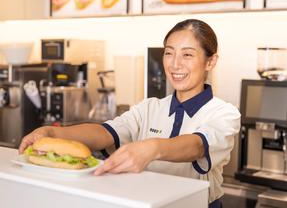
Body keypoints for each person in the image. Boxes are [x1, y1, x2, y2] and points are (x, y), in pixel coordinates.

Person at [19, 19, 240, 208]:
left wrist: (151, 148)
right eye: (169, 53)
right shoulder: (150, 107)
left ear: (210, 61)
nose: (175, 64)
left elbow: (197, 146)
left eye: (187, 55)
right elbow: (106, 133)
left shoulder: (224, 113)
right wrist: (53, 134)